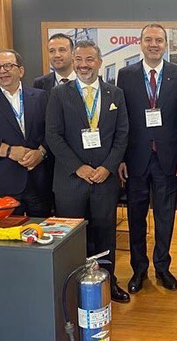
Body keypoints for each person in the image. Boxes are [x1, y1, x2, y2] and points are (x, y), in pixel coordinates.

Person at [45, 40, 130, 303]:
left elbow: (122, 135)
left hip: (104, 180)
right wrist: (79, 167)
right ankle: (72, 289)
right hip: (71, 181)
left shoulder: (115, 94)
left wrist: (107, 167)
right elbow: (53, 135)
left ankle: (107, 282)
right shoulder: (59, 94)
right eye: (79, 60)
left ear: (99, 62)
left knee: (105, 234)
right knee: (72, 238)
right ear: (73, 62)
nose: (84, 65)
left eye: (89, 59)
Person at [116, 23, 177, 293]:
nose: (154, 44)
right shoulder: (125, 75)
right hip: (135, 160)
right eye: (149, 39)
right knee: (136, 218)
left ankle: (162, 267)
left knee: (165, 217)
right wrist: (121, 158)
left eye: (159, 40)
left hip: (167, 160)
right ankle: (139, 270)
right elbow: (121, 120)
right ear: (140, 43)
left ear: (165, 44)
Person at [0, 49, 51, 217]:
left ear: (21, 70)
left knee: (41, 229)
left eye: (7, 66)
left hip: (38, 180)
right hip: (1, 183)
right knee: (7, 231)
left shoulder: (41, 97)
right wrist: (9, 151)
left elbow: (52, 131)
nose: (2, 71)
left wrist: (41, 153)